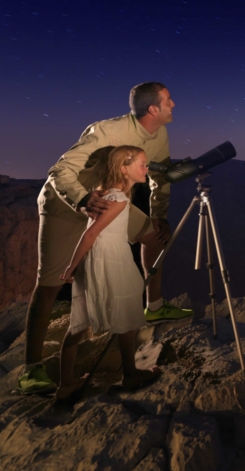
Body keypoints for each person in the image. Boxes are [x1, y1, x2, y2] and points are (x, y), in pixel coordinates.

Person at [18, 82, 191, 394]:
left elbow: (160, 177)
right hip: (66, 207)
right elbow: (59, 171)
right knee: (50, 283)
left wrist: (159, 214)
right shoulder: (105, 131)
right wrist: (82, 200)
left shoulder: (159, 136)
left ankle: (154, 305)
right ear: (153, 109)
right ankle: (32, 369)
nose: (174, 104)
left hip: (110, 205)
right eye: (168, 100)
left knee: (155, 237)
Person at [56, 146, 160, 399]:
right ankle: (130, 375)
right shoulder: (119, 200)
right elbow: (91, 233)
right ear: (124, 169)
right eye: (142, 164)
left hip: (102, 257)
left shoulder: (107, 195)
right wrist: (70, 268)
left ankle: (66, 383)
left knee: (79, 324)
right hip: (110, 260)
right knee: (123, 317)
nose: (146, 169)